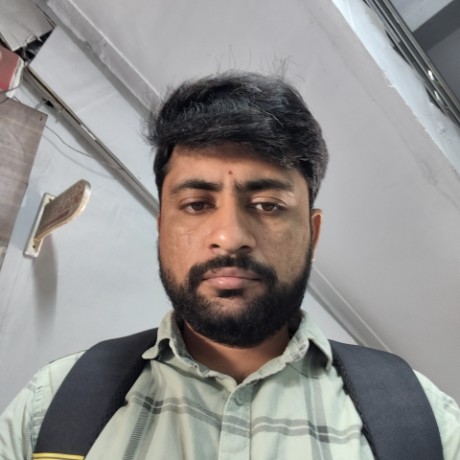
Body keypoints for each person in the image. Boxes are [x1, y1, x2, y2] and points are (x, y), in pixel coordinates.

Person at [1, 72, 459, 459]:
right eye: (197, 205)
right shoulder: (51, 406)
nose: (231, 236)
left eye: (268, 205)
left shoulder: (428, 425)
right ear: (162, 229)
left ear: (313, 234)